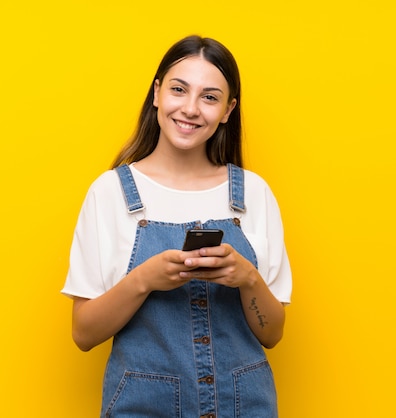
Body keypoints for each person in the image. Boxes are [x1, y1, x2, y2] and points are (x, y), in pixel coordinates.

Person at [62, 35, 292, 418]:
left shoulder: (254, 193)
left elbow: (273, 334)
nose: (190, 108)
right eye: (178, 90)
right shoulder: (110, 193)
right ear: (156, 93)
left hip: (245, 405)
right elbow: (83, 334)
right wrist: (145, 279)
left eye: (209, 97)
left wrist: (247, 277)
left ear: (227, 110)